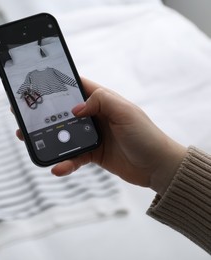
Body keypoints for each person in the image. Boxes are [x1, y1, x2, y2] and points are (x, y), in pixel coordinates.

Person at [15, 78, 211, 254]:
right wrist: (161, 167)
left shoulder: (43, 74)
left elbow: (61, 79)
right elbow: (27, 87)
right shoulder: (32, 77)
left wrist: (160, 168)